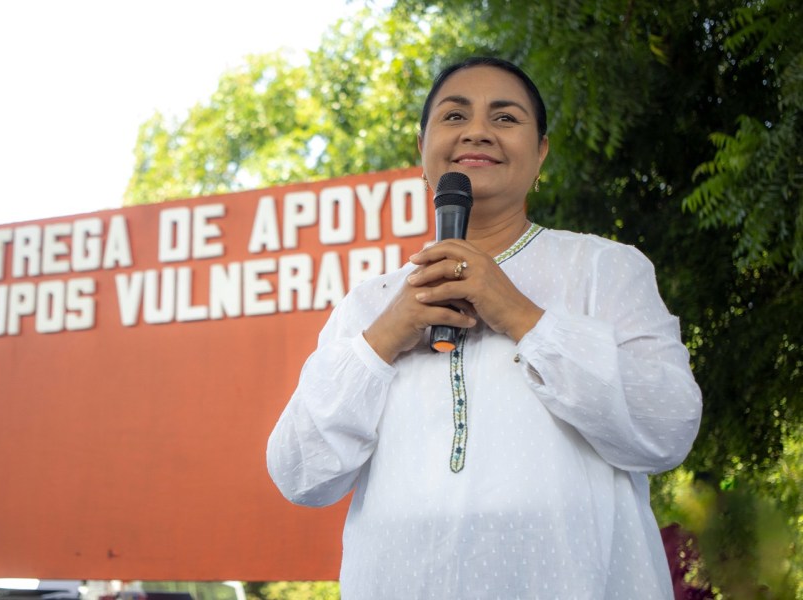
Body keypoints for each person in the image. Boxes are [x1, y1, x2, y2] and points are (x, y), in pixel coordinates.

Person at [266, 57, 702, 599]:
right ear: (422, 149)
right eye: (454, 116)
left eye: (505, 117)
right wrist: (385, 338)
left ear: (540, 153)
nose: (476, 131)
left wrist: (518, 314)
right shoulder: (368, 305)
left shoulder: (603, 269)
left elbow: (667, 427)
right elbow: (299, 474)